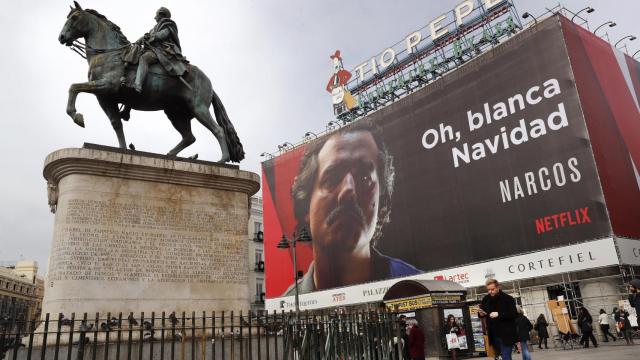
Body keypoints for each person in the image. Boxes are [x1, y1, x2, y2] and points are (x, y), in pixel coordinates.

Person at [283, 125, 421, 295]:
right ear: (306, 205)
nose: (349, 191)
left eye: (364, 178)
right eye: (332, 178)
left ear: (381, 201)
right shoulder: (288, 303)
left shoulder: (416, 287)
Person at [131, 7, 188, 93]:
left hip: (162, 50)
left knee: (144, 59)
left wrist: (150, 37)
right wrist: (137, 42)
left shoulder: (168, 25)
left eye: (157, 15)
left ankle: (138, 84)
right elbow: (146, 36)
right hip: (152, 49)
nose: (155, 17)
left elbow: (162, 36)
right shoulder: (155, 27)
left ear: (162, 15)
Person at [479, 279, 518, 360]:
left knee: (506, 357)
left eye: (492, 289)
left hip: (507, 334)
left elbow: (514, 314)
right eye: (488, 290)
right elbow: (482, 313)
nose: (490, 291)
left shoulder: (508, 298)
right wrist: (481, 314)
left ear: (498, 287)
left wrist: (499, 314)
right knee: (498, 358)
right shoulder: (485, 299)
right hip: (493, 335)